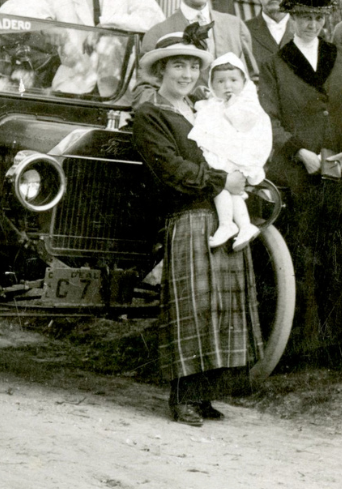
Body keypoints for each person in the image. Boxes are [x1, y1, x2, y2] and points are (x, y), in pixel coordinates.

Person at [130, 33, 262, 427]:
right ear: (160, 71)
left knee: (224, 307)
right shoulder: (150, 114)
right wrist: (224, 180)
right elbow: (171, 170)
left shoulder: (203, 110)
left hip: (222, 210)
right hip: (188, 213)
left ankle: (206, 395)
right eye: (177, 66)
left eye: (191, 66)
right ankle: (184, 397)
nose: (186, 74)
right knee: (194, 308)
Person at [254, 0, 342, 360]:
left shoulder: (341, 55)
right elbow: (269, 118)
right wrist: (301, 152)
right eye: (302, 16)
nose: (310, 24)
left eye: (317, 17)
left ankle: (335, 347)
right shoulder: (274, 64)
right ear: (291, 17)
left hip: (339, 172)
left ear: (325, 19)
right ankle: (297, 347)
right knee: (300, 257)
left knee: (338, 254)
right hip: (296, 174)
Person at [190, 53, 271, 249]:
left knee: (223, 184)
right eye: (220, 81)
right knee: (225, 188)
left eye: (233, 80)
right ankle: (240, 225)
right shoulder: (213, 104)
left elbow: (244, 123)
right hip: (223, 153)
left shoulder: (247, 103)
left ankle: (229, 225)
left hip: (239, 153)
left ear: (244, 81)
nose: (227, 86)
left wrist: (232, 104)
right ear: (212, 84)